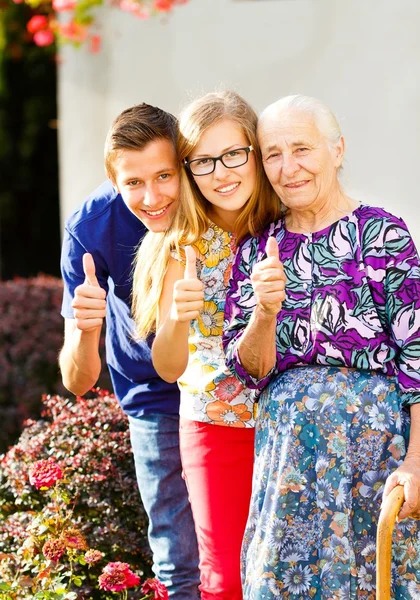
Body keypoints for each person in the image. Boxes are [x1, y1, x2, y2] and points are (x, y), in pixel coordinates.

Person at [223, 94, 420, 599]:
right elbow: (250, 371)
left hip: (377, 462)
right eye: (272, 154)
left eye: (302, 149)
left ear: (337, 150)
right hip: (289, 463)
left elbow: (418, 356)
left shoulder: (382, 234)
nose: (288, 168)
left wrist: (417, 463)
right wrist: (265, 310)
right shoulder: (256, 249)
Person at [131, 91, 282, 600]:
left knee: (291, 569)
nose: (222, 173)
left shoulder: (290, 226)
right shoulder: (181, 244)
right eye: (203, 162)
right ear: (189, 169)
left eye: (234, 154)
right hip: (216, 430)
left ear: (256, 153)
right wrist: (176, 317)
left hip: (291, 426)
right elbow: (168, 368)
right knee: (226, 578)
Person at [58, 103, 200, 599]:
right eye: (133, 183)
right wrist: (82, 330)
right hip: (153, 394)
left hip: (231, 390)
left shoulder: (208, 196)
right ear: (112, 180)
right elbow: (77, 381)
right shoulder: (90, 230)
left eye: (164, 175)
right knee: (178, 558)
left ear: (183, 166)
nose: (153, 196)